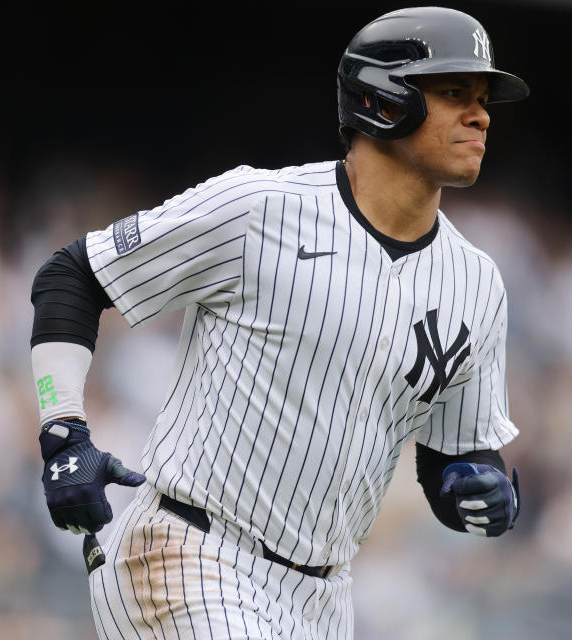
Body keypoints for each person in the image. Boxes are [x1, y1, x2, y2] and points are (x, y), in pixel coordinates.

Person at [30, 7, 527, 639]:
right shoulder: (259, 209)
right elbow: (72, 275)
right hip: (189, 551)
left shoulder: (478, 283)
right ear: (382, 99)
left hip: (325, 596)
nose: (481, 115)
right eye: (455, 92)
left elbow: (451, 460)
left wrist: (474, 489)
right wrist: (62, 433)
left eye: (483, 99)